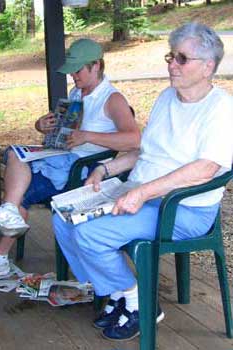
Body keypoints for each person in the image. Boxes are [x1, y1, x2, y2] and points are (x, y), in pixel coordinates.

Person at [52, 22, 233, 341]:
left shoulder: (221, 108)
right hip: (139, 192)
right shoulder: (167, 98)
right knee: (63, 220)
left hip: (181, 208)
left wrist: (142, 192)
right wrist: (107, 170)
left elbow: (205, 169)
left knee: (91, 235)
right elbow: (144, 152)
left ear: (208, 67)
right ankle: (120, 292)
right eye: (170, 56)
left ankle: (138, 302)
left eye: (181, 58)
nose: (171, 65)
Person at [0, 38, 140, 278]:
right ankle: (7, 220)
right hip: (60, 158)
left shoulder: (112, 99)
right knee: (15, 154)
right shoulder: (76, 92)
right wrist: (43, 125)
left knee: (19, 193)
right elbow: (64, 130)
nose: (73, 76)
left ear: (96, 65)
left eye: (77, 70)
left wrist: (87, 136)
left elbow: (134, 140)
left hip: (81, 171)